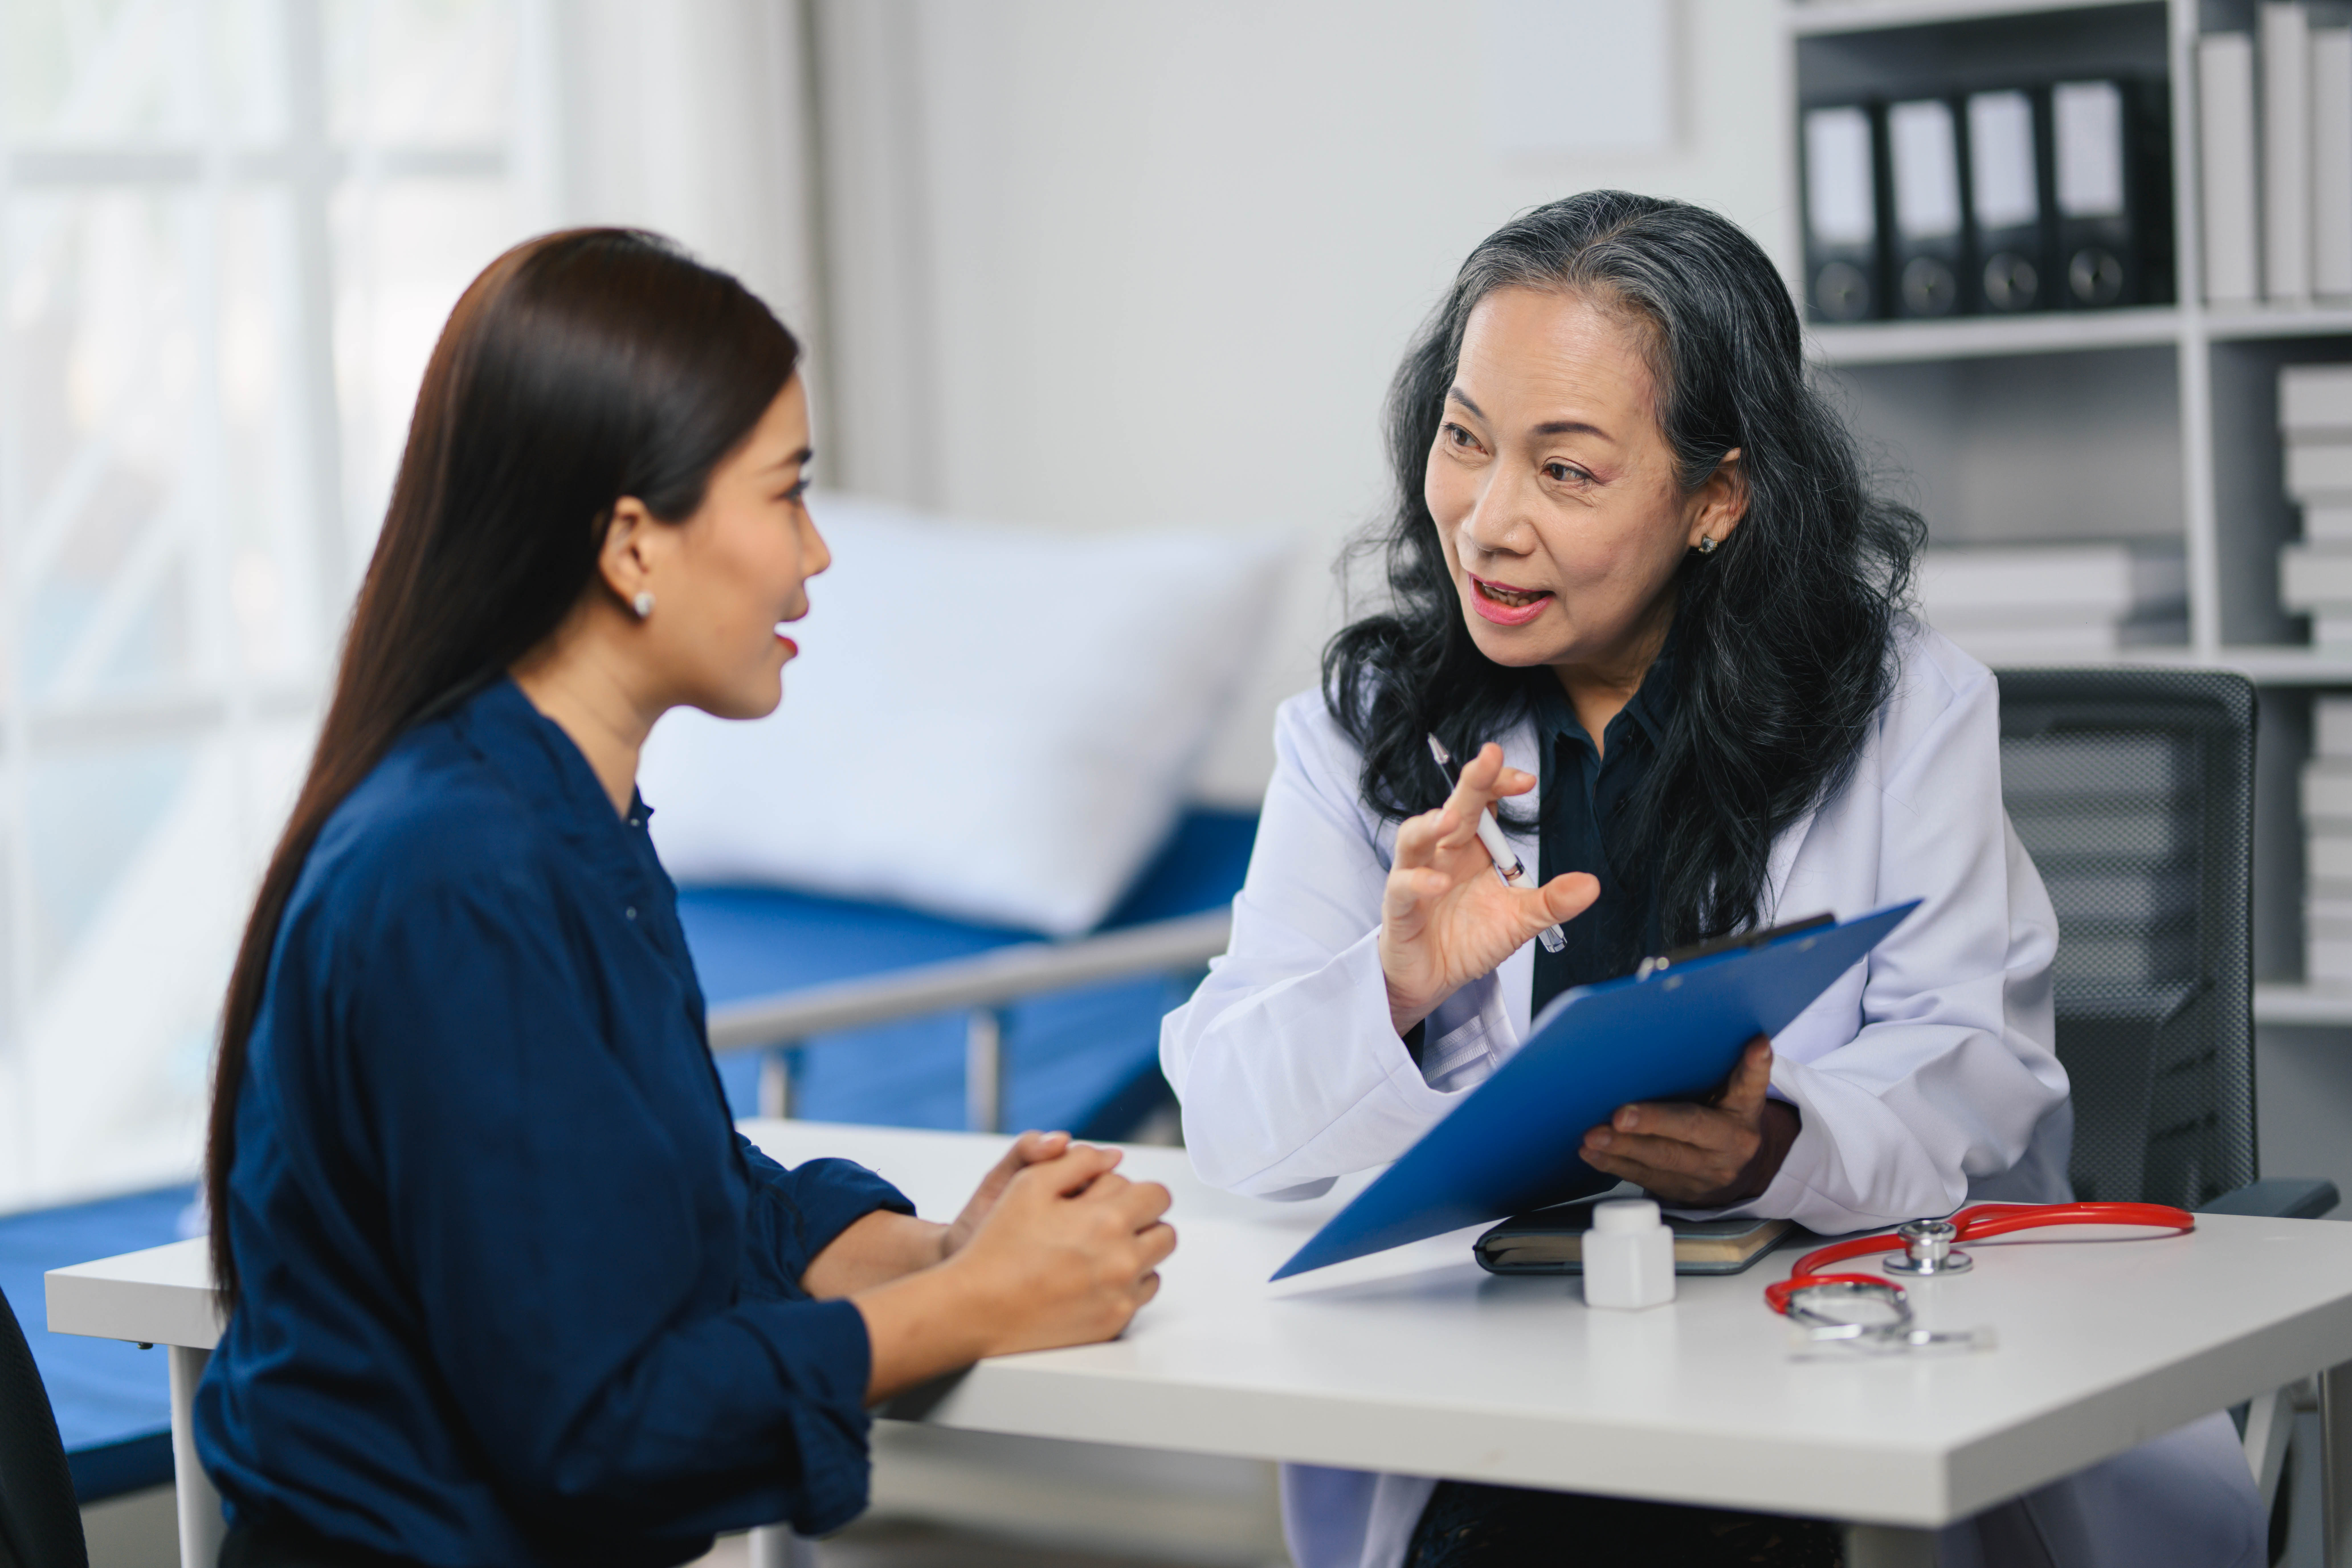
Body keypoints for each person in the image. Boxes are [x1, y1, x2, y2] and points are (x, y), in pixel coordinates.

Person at [1159, 193, 2262, 1568]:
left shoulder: (1903, 710)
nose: (1486, 522)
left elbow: (1985, 1082)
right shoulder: (1367, 727)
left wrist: (1782, 1143)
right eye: (1464, 441)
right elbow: (1230, 1116)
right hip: (1492, 1385)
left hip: (1814, 1372)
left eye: (1566, 472)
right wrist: (1390, 982)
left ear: (1716, 497)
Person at [194, 229, 1177, 1568]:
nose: (818, 555)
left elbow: (671, 1203)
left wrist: (944, 1247)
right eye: (787, 496)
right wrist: (967, 1308)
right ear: (632, 543)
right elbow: (597, 1422)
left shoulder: (564, 815)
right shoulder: (458, 875)